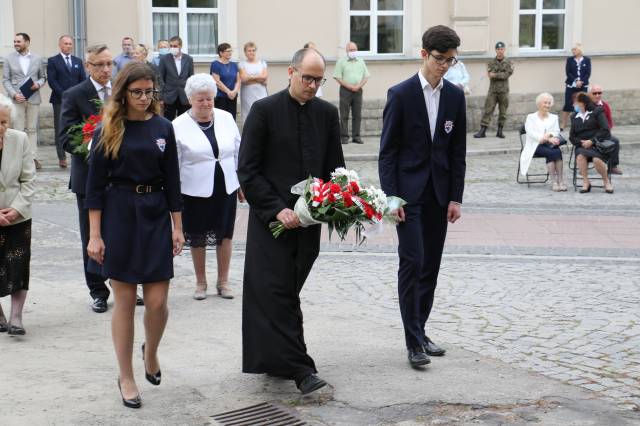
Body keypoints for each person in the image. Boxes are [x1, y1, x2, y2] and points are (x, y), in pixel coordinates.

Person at [238, 48, 344, 395]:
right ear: (291, 72)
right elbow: (248, 171)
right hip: (272, 223)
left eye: (318, 79)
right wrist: (276, 209)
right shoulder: (264, 111)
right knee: (277, 293)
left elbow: (335, 172)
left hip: (309, 226)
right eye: (307, 78)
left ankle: (274, 358)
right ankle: (302, 370)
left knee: (285, 293)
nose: (312, 85)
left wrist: (340, 203)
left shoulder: (327, 114)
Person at [85, 62, 184, 409]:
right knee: (125, 302)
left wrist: (178, 226)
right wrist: (95, 236)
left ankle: (151, 352)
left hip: (156, 212)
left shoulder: (164, 127)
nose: (144, 98)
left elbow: (173, 181)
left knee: (157, 303)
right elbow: (94, 187)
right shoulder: (107, 129)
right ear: (123, 92)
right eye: (137, 92)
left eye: (149, 92)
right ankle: (125, 376)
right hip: (120, 215)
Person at [379, 25, 466, 367]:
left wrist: (455, 197)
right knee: (412, 261)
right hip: (407, 195)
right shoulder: (400, 94)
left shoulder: (455, 96)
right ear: (424, 54)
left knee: (430, 265)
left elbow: (457, 151)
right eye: (440, 59)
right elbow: (387, 153)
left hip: (439, 195)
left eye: (450, 60)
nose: (444, 65)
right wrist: (391, 199)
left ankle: (421, 329)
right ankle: (413, 342)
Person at [173, 74, 243, 300]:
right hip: (193, 189)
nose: (205, 104)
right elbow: (174, 163)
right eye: (200, 99)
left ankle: (223, 281)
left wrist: (241, 182)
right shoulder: (177, 125)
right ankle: (200, 282)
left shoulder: (226, 118)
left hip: (225, 185)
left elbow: (238, 150)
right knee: (197, 235)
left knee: (225, 234)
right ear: (190, 99)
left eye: (209, 99)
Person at [59, 43, 112, 313]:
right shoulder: (74, 94)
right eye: (99, 64)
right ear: (87, 66)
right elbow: (66, 137)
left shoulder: (122, 92)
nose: (105, 69)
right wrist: (94, 140)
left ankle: (125, 281)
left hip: (121, 178)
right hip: (88, 177)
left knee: (120, 232)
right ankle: (98, 290)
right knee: (91, 236)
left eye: (109, 63)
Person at [0, 94, 36, 336]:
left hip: (17, 215)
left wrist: (17, 209)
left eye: (4, 122)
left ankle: (16, 317)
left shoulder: (19, 139)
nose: (1, 128)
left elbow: (29, 179)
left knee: (18, 264)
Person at [2, 32, 46, 169]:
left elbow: (43, 77)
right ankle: (19, 158)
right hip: (17, 99)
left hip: (33, 98)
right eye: (14, 42)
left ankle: (32, 158)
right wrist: (14, 94)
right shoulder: (8, 59)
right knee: (18, 130)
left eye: (18, 42)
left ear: (27, 42)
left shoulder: (38, 59)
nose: (16, 44)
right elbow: (5, 80)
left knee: (32, 129)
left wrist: (38, 84)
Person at [47, 35, 86, 169]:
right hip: (59, 100)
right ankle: (62, 157)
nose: (68, 46)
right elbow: (52, 81)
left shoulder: (78, 61)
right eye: (66, 43)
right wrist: (66, 95)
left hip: (77, 100)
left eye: (70, 44)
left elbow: (82, 80)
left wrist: (77, 95)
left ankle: (76, 152)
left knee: (76, 127)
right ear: (60, 45)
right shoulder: (53, 61)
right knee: (60, 128)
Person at [520, 93, 566, 191]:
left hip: (549, 144)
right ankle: (554, 182)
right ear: (539, 104)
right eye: (545, 102)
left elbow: (556, 131)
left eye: (549, 103)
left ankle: (560, 181)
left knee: (557, 151)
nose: (547, 105)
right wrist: (545, 138)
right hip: (535, 145)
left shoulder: (554, 117)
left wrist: (549, 136)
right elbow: (530, 132)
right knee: (552, 152)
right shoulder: (531, 117)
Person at [570, 92, 613, 194]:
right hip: (582, 146)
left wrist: (591, 141)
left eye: (576, 103)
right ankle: (586, 182)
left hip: (597, 145)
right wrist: (580, 142)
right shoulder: (574, 116)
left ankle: (606, 181)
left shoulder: (597, 111)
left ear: (583, 103)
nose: (574, 105)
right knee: (580, 156)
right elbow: (572, 136)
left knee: (597, 160)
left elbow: (605, 129)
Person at [473, 41, 513, 139]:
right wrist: (499, 74)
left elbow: (507, 74)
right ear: (495, 50)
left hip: (504, 91)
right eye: (498, 49)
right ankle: (482, 131)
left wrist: (496, 74)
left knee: (503, 111)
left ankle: (500, 131)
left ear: (504, 50)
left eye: (501, 49)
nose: (500, 51)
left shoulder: (509, 62)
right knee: (488, 110)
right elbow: (490, 75)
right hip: (493, 91)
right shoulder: (490, 62)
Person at [334, 41, 369, 144]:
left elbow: (366, 76)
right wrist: (349, 86)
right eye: (351, 50)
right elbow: (337, 77)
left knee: (357, 114)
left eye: (354, 50)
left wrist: (358, 86)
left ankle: (356, 136)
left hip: (358, 90)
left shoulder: (361, 61)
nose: (353, 51)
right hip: (345, 90)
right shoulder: (341, 62)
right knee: (344, 114)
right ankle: (344, 137)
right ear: (347, 51)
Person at [159, 36, 194, 120]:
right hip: (169, 96)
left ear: (180, 46)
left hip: (184, 96)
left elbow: (191, 78)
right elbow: (160, 79)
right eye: (171, 46)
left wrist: (191, 96)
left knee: (184, 120)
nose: (172, 48)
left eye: (175, 46)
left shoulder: (188, 59)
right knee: (168, 120)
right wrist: (161, 97)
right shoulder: (164, 59)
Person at [589, 84, 622, 175]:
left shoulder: (605, 105)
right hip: (590, 134)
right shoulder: (586, 106)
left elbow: (610, 122)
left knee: (615, 141)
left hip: (603, 133)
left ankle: (613, 166)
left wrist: (606, 132)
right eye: (594, 93)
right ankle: (584, 165)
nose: (597, 95)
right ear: (590, 94)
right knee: (586, 143)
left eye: (599, 93)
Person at [561, 44, 591, 130]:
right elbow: (568, 72)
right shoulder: (569, 60)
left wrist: (581, 82)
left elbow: (588, 73)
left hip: (583, 85)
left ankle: (583, 123)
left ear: (580, 50)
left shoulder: (587, 60)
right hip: (571, 84)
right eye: (572, 50)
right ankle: (563, 124)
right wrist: (575, 81)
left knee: (583, 103)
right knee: (568, 103)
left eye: (574, 49)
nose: (573, 51)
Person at [239, 42, 268, 122]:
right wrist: (259, 79)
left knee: (262, 110)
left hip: (261, 92)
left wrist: (250, 77)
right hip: (248, 93)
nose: (251, 52)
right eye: (249, 50)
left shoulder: (262, 63)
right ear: (245, 52)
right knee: (248, 112)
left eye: (253, 50)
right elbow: (244, 79)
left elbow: (264, 77)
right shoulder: (242, 64)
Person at [210, 43, 240, 120]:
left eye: (231, 51)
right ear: (221, 53)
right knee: (221, 119)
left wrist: (234, 91)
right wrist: (228, 92)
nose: (230, 53)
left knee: (232, 118)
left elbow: (238, 80)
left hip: (233, 96)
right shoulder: (215, 64)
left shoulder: (234, 65)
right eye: (228, 51)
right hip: (221, 97)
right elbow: (217, 81)